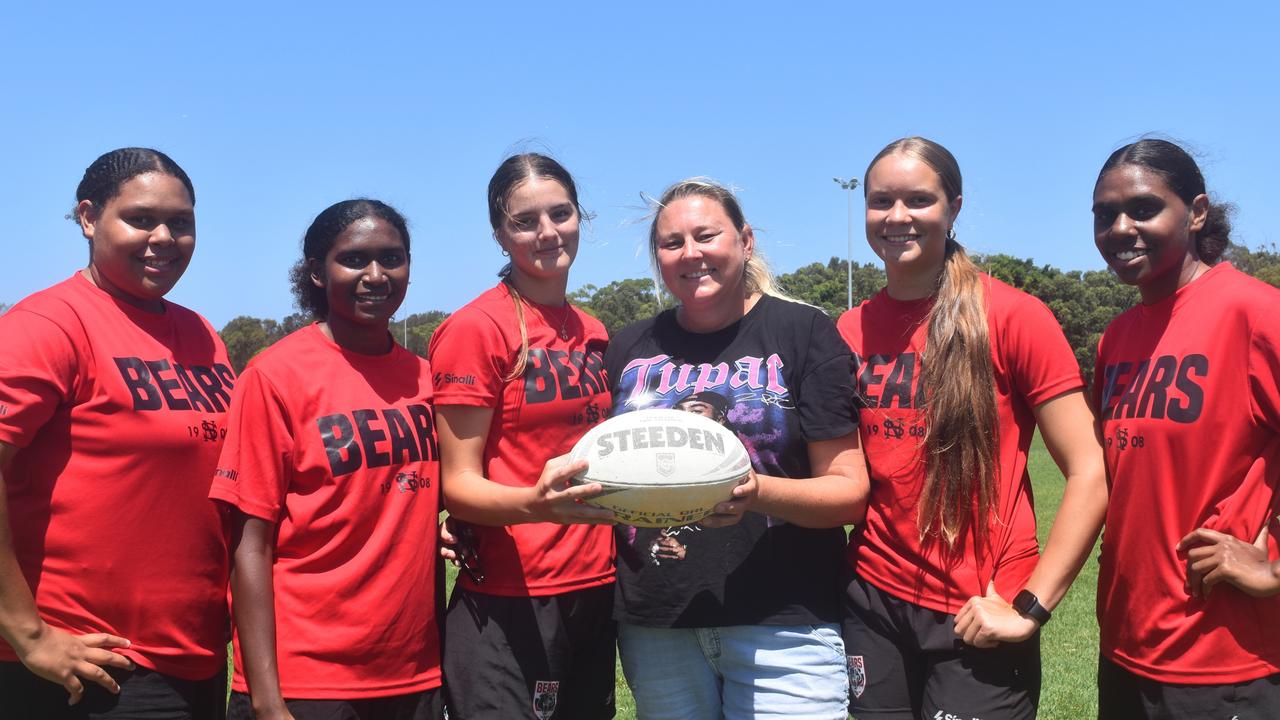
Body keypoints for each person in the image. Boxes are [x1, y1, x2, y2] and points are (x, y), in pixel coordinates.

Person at [837, 137, 1108, 720]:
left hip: (979, 611)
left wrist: (1029, 607)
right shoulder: (848, 330)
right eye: (881, 201)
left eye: (918, 199)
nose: (897, 217)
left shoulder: (1015, 316)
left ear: (953, 207)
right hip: (872, 604)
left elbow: (1090, 470)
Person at [604, 178, 869, 719]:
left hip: (786, 623)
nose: (691, 253)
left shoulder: (804, 332)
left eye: (707, 235)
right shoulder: (628, 347)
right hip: (659, 624)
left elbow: (848, 491)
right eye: (672, 242)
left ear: (745, 240)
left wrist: (754, 493)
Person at [0, 148, 232, 718]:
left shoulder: (201, 333)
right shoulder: (48, 325)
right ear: (87, 218)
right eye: (140, 218)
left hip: (196, 656)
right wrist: (27, 634)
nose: (164, 237)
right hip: (92, 666)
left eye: (181, 222)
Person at [210, 200, 444, 720]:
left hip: (413, 672)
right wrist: (268, 701)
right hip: (307, 679)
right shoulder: (274, 377)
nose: (376, 275)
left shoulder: (426, 378)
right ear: (317, 271)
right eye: (355, 260)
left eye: (393, 258)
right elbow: (249, 544)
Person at [1091, 138, 1280, 718]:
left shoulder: (1254, 313)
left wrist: (1275, 567)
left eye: (1144, 209)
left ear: (1196, 212)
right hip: (1125, 644)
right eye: (1104, 216)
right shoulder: (1116, 339)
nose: (1120, 228)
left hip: (1225, 658)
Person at [427, 153, 615, 719]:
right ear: (499, 234)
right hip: (512, 598)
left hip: (596, 586)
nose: (547, 232)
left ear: (581, 216)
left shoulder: (593, 332)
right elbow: (457, 486)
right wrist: (535, 506)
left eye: (561, 213)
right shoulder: (475, 330)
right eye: (525, 220)